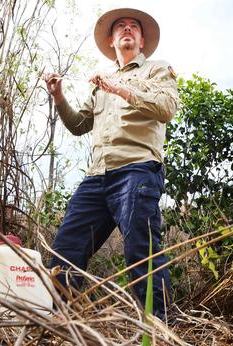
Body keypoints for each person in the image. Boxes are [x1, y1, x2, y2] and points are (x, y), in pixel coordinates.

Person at [44, 8, 178, 321]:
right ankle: (59, 323)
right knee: (66, 248)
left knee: (140, 248)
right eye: (121, 27)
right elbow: (79, 125)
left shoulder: (157, 70)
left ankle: (162, 326)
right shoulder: (100, 82)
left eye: (134, 27)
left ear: (142, 40)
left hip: (137, 170)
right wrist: (59, 96)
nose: (128, 30)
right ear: (112, 39)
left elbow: (167, 108)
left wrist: (120, 89)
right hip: (97, 177)